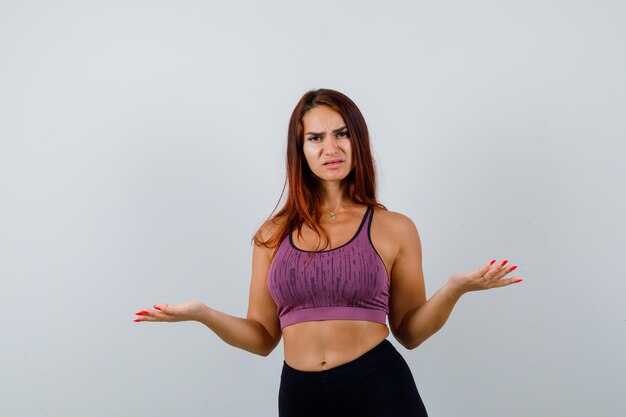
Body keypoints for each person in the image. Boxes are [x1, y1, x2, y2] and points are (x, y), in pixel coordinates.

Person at [132, 88, 522, 416]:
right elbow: (263, 337)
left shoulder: (393, 227)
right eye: (315, 138)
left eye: (341, 134)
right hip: (300, 397)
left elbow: (410, 332)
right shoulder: (273, 234)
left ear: (358, 141)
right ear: (299, 149)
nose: (330, 148)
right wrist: (203, 314)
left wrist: (454, 288)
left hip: (379, 390)